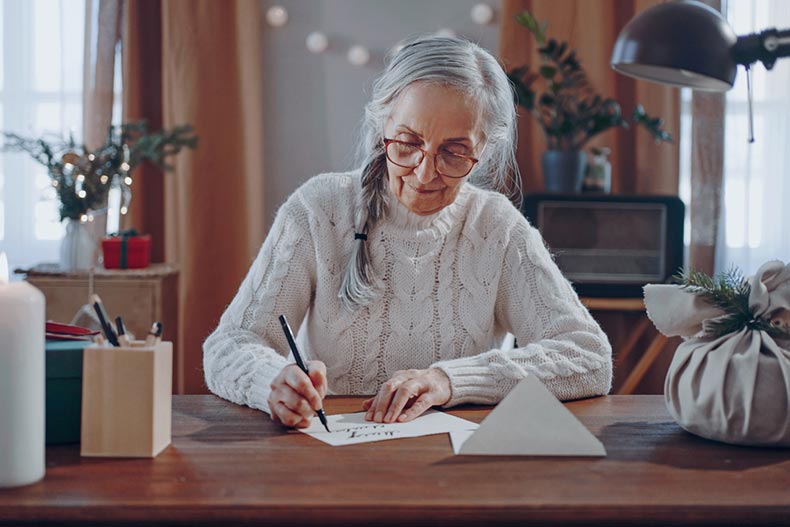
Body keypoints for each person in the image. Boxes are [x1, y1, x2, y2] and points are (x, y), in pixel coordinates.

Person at [203, 36, 612, 429]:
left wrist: (448, 381)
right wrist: (272, 382)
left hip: (456, 467)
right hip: (329, 459)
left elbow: (589, 356)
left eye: (453, 152)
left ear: (484, 148)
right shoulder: (319, 210)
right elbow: (228, 346)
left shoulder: (496, 228)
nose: (424, 172)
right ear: (382, 124)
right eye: (408, 142)